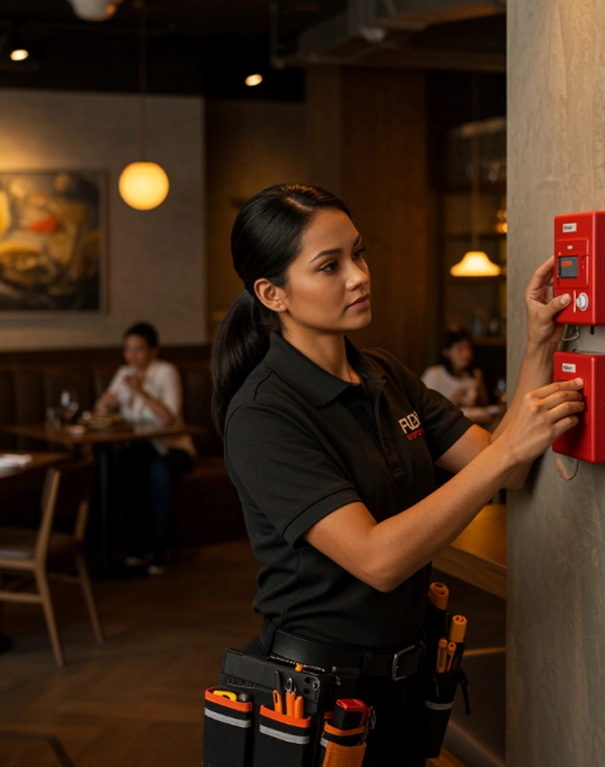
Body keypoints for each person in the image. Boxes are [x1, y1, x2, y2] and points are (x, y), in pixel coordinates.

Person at [210, 184, 583, 765]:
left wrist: (540, 344)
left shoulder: (382, 373)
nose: (359, 276)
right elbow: (378, 560)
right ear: (272, 293)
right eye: (330, 266)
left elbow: (500, 465)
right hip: (315, 696)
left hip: (406, 681)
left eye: (358, 254)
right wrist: (505, 454)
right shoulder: (263, 414)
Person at [95, 321, 196, 574]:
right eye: (127, 349)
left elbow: (169, 418)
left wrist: (141, 391)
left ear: (153, 350)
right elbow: (101, 412)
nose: (132, 355)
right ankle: (136, 545)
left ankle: (162, 546)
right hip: (140, 447)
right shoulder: (123, 373)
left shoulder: (166, 372)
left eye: (138, 349)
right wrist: (104, 405)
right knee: (116, 467)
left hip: (173, 446)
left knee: (158, 469)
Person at [421, 327, 503, 427]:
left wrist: (479, 384)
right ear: (447, 352)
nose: (466, 354)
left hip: (472, 426)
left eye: (468, 348)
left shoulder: (473, 375)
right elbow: (426, 412)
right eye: (460, 349)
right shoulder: (434, 375)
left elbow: (484, 406)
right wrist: (455, 399)